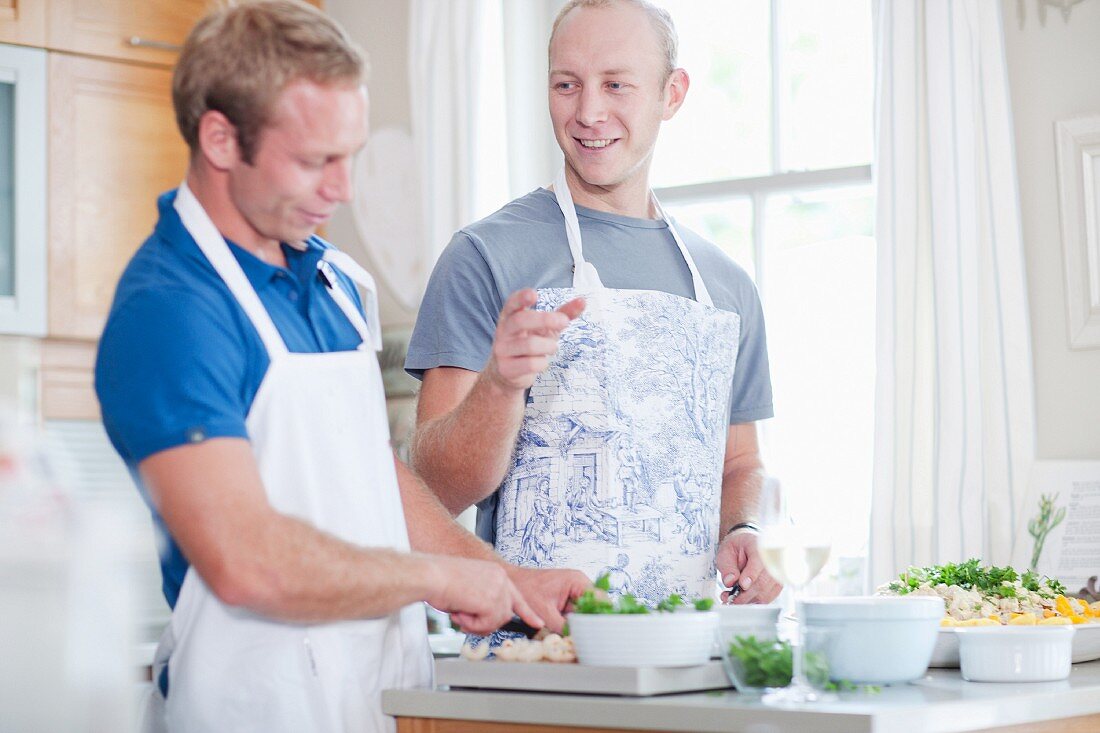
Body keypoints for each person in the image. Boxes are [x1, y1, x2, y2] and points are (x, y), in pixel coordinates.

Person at [93, 3, 587, 731]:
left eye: (348, 155)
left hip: (375, 696)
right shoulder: (170, 309)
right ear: (221, 139)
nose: (343, 188)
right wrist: (439, 578)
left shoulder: (334, 283)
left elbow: (372, 474)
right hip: (253, 708)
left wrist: (510, 581)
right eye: (314, 160)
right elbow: (246, 560)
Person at [406, 0, 781, 606]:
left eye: (616, 85)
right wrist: (500, 386)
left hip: (687, 649)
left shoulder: (727, 286)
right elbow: (431, 491)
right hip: (540, 655)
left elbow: (739, 462)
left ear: (672, 94)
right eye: (566, 84)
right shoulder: (484, 256)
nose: (588, 113)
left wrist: (741, 528)